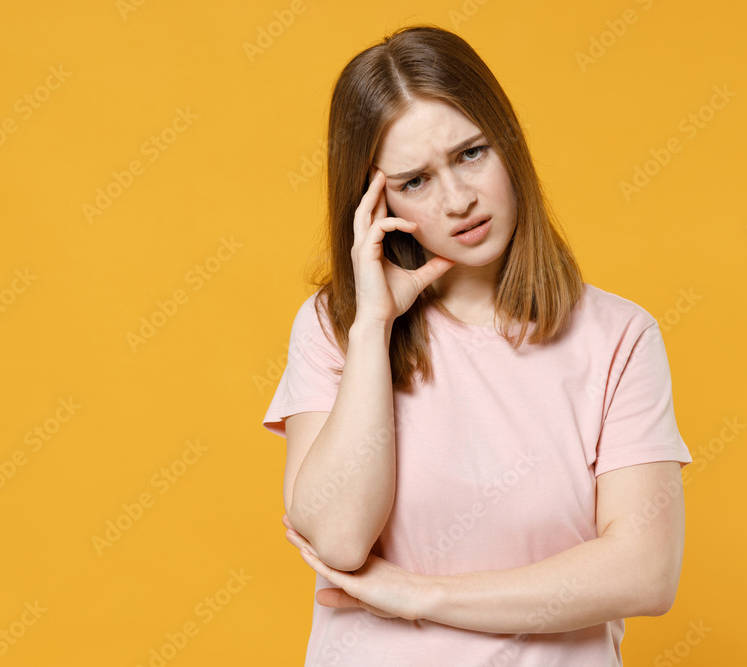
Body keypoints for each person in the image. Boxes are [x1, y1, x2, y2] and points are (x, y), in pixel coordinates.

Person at [262, 24, 692, 666]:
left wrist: (417, 596)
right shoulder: (337, 327)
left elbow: (644, 572)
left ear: (508, 143)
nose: (460, 199)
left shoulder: (620, 338)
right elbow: (340, 538)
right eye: (414, 181)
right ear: (373, 204)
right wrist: (374, 326)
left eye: (471, 153)